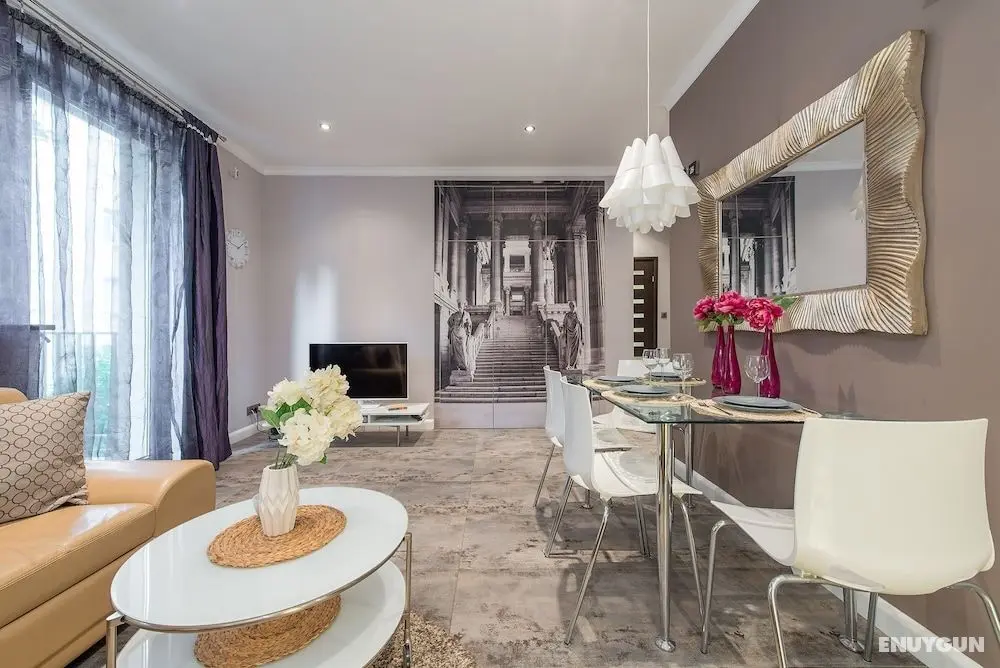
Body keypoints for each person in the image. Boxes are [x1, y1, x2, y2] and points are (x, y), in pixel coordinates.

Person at [561, 301, 584, 369]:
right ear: (569, 307)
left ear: (575, 306)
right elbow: (564, 324)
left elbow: (580, 324)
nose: (572, 307)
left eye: (573, 306)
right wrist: (563, 332)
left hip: (576, 334)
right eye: (571, 306)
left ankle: (574, 364)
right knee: (569, 349)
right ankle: (568, 364)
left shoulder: (577, 315)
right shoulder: (567, 315)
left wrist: (582, 338)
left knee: (576, 349)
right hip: (569, 334)